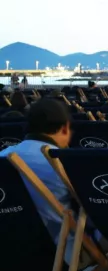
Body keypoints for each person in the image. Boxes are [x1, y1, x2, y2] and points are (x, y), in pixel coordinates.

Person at [0, 98, 75, 242]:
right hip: (60, 248)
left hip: (7, 246)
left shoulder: (3, 155)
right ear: (65, 128)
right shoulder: (66, 162)